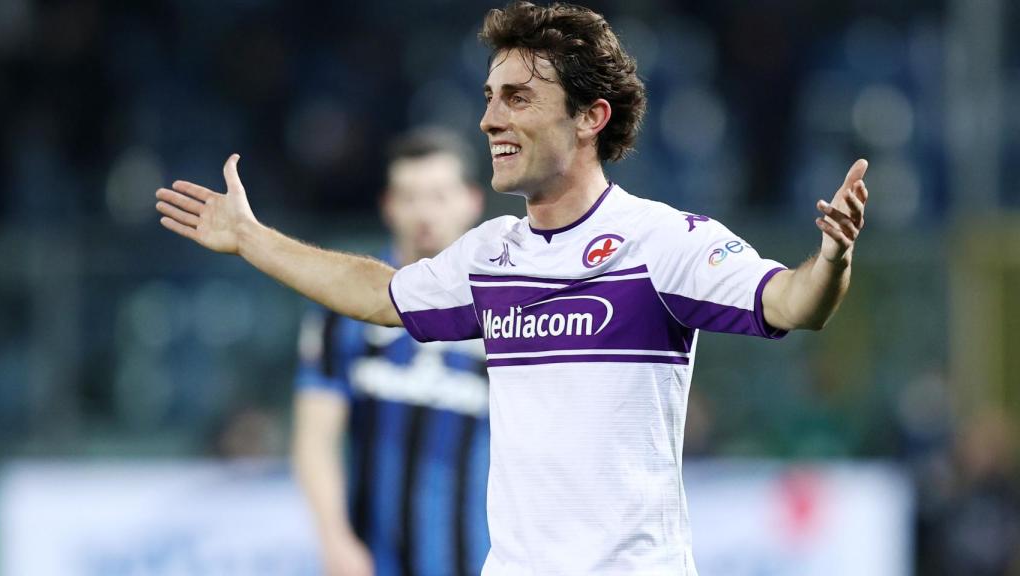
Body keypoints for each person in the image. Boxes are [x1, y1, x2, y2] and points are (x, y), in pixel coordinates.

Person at [154, 2, 870, 574]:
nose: (490, 118)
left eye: (519, 98)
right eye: (490, 96)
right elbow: (379, 293)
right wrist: (252, 238)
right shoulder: (490, 255)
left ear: (591, 118)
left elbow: (791, 303)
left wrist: (832, 257)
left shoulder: (664, 242)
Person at [290, 128, 489, 576]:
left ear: (471, 201)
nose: (424, 213)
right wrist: (335, 540)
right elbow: (315, 439)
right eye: (410, 196)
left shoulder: (511, 308)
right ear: (388, 205)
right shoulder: (340, 308)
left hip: (484, 562)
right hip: (372, 563)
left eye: (438, 195)